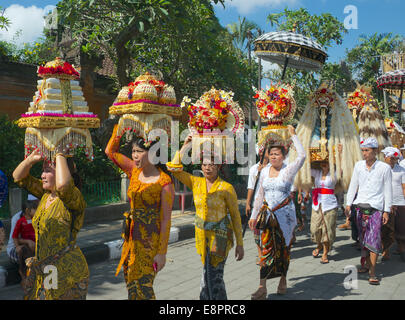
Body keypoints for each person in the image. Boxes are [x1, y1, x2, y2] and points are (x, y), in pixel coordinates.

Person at [166, 135, 244, 300]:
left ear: (219, 167)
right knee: (209, 274)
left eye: (212, 164)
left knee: (214, 276)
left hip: (221, 235)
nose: (208, 168)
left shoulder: (227, 188)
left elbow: (236, 217)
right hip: (202, 235)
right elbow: (173, 168)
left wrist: (240, 244)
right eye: (205, 164)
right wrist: (186, 145)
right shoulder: (196, 182)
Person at [105, 125, 174, 300]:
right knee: (132, 287)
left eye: (139, 151)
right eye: (134, 151)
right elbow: (110, 152)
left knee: (143, 288)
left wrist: (162, 253)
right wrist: (119, 129)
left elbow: (166, 220)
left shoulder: (165, 182)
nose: (134, 155)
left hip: (150, 244)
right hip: (131, 241)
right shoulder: (134, 171)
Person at [12, 149, 89, 299]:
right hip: (48, 269)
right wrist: (31, 160)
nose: (42, 175)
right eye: (42, 171)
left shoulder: (73, 197)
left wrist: (59, 153)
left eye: (47, 170)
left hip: (67, 270)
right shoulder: (46, 194)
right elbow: (18, 177)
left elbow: (64, 187)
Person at [249, 125, 306, 299]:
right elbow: (260, 194)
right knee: (265, 250)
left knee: (284, 250)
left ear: (284, 156)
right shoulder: (264, 171)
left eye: (277, 154)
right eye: (271, 154)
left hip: (285, 217)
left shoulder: (288, 170)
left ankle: (283, 280)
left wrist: (294, 136)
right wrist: (253, 215)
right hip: (267, 216)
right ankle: (262, 287)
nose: (274, 157)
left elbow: (302, 156)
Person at [345, 138, 392, 285]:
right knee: (363, 238)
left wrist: (386, 211)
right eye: (363, 150)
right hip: (360, 207)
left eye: (367, 150)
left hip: (376, 209)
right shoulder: (358, 166)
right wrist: (348, 204)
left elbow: (387, 190)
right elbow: (353, 185)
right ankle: (365, 265)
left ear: (375, 151)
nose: (364, 153)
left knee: (374, 239)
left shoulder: (384, 168)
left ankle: (372, 272)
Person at [309, 153, 341, 264]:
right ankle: (319, 245)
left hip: (330, 205)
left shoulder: (334, 174)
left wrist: (340, 153)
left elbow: (341, 167)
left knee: (327, 230)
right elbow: (305, 168)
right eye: (322, 162)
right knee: (315, 229)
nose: (324, 164)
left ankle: (325, 253)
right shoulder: (317, 173)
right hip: (316, 204)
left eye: (326, 162)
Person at [381, 147, 405, 261]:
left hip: (400, 202)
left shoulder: (401, 170)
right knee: (385, 229)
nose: (392, 160)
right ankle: (385, 251)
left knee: (401, 228)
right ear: (385, 158)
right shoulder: (380, 169)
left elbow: (404, 187)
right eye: (390, 158)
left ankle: (401, 249)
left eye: (394, 158)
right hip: (385, 203)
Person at [246, 145, 269, 263]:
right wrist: (248, 203)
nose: (262, 155)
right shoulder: (254, 169)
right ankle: (260, 254)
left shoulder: (274, 168)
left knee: (267, 231)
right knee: (255, 230)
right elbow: (251, 187)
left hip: (270, 205)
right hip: (257, 205)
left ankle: (267, 253)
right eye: (261, 153)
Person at [12, 197, 38, 287]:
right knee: (26, 258)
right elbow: (14, 236)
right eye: (35, 209)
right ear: (27, 210)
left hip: (36, 244)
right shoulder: (20, 221)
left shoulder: (36, 219)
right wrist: (17, 247)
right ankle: (24, 278)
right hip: (26, 245)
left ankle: (34, 279)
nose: (37, 211)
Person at [7, 195, 39, 264]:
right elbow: (15, 237)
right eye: (35, 206)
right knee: (27, 256)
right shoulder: (18, 218)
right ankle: (24, 271)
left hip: (34, 246)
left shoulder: (37, 216)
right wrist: (27, 242)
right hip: (17, 248)